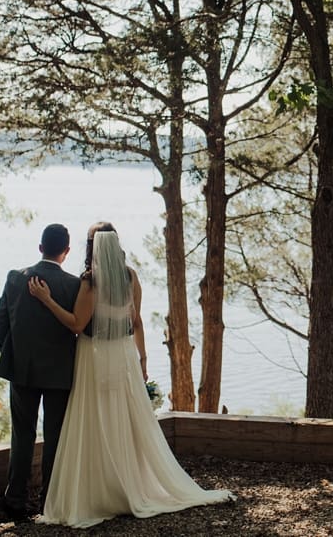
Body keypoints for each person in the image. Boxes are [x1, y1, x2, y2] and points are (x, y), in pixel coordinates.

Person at [28, 221, 234, 528]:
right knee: (122, 418)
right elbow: (136, 321)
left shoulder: (90, 282)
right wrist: (143, 359)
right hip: (123, 354)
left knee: (95, 418)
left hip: (94, 357)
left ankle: (101, 489)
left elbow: (75, 324)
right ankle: (127, 484)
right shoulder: (130, 276)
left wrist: (47, 300)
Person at [0, 223, 81, 520]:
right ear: (66, 252)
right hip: (60, 373)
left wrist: (14, 351)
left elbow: (0, 324)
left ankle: (15, 499)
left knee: (22, 434)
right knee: (55, 436)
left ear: (40, 247)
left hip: (23, 369)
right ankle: (48, 502)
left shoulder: (16, 278)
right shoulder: (74, 285)